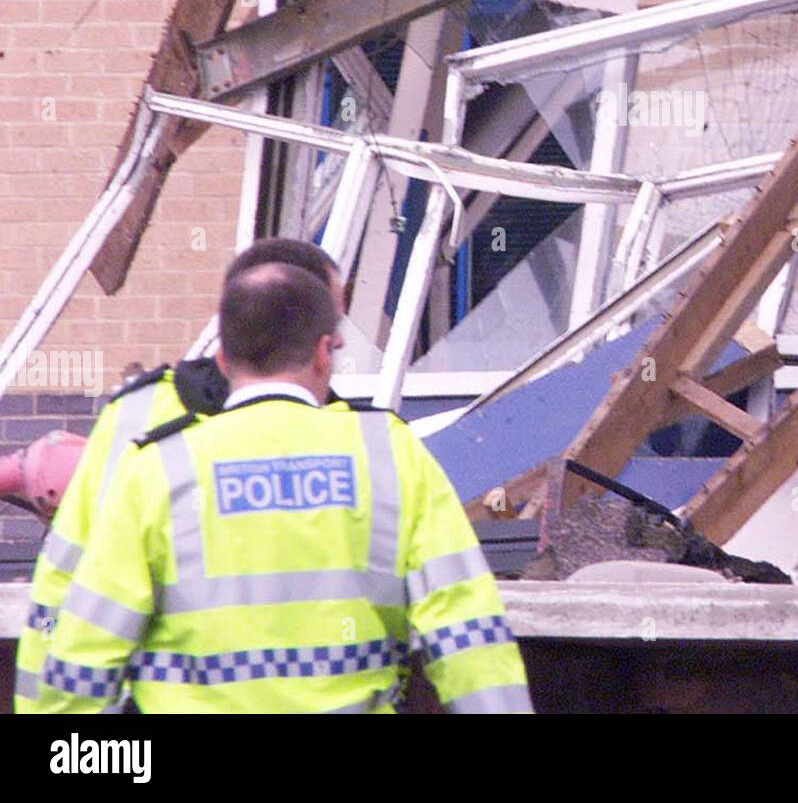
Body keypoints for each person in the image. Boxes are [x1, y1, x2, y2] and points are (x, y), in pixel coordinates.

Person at [37, 262, 531, 714]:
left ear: (223, 359)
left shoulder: (157, 467)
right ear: (322, 352)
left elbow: (84, 657)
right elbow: (468, 634)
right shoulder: (390, 453)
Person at [14, 238, 347, 714]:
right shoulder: (350, 442)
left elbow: (64, 591)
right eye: (330, 336)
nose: (331, 354)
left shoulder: (135, 414)